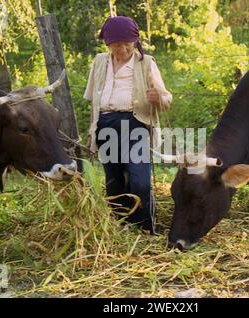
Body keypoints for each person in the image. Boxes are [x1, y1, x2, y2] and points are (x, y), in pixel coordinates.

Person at [83, 16, 172, 234]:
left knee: (140, 181)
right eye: (117, 44)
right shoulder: (99, 62)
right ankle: (121, 228)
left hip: (136, 125)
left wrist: (158, 97)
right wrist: (92, 129)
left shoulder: (146, 63)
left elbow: (167, 99)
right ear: (107, 44)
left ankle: (145, 228)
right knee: (113, 182)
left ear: (135, 42)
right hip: (106, 125)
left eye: (128, 44)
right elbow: (94, 99)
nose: (123, 49)